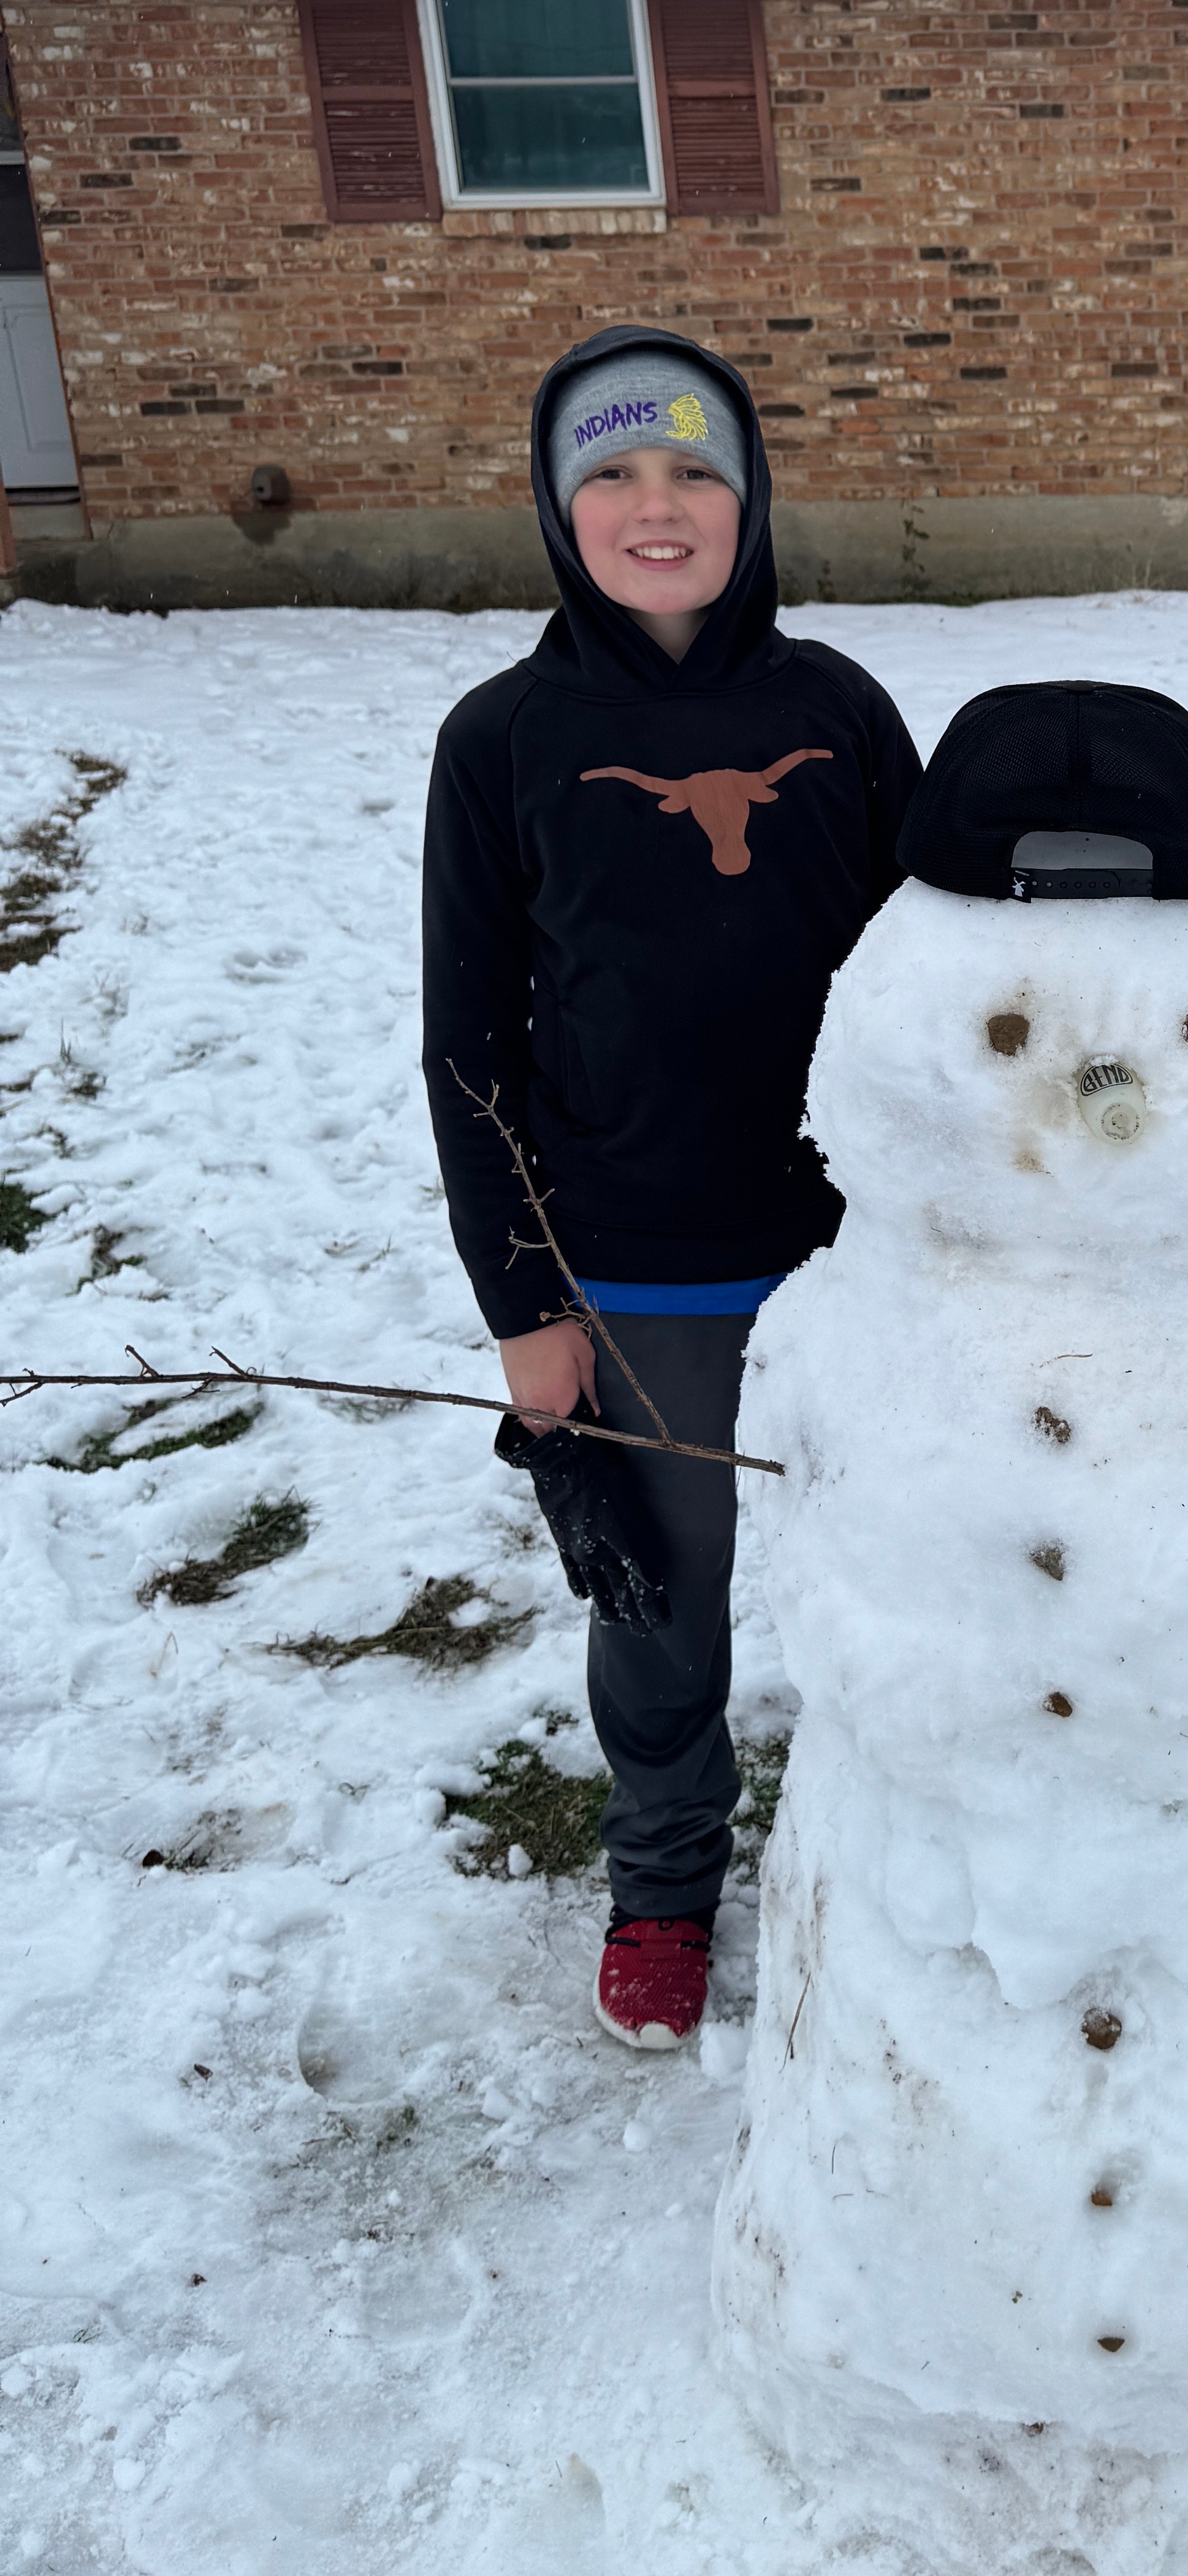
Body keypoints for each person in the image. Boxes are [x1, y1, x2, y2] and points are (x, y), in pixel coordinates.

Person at [421, 326, 920, 2052]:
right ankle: (660, 1875)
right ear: (563, 513)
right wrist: (524, 1312)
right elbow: (465, 1043)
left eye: (693, 468)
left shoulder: (838, 715)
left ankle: (923, 1849)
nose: (657, 504)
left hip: (859, 1263)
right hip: (635, 1277)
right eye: (614, 473)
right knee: (664, 1605)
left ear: (748, 497)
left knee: (905, 1575)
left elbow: (933, 974)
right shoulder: (504, 742)